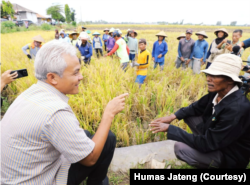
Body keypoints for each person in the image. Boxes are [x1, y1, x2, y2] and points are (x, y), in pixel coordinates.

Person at [0, 40, 129, 184]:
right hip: (39, 180)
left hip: (13, 177)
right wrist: (108, 114)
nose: (81, 77)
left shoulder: (29, 93)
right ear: (52, 77)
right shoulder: (56, 112)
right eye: (76, 72)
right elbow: (90, 159)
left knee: (86, 135)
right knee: (108, 139)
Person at [150, 54, 250, 169]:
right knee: (188, 115)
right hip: (218, 140)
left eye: (215, 75)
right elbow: (195, 107)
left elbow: (208, 143)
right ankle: (201, 145)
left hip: (230, 155)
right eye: (208, 74)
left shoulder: (237, 109)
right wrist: (173, 116)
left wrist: (170, 129)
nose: (208, 78)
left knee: (181, 149)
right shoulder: (217, 93)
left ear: (230, 80)